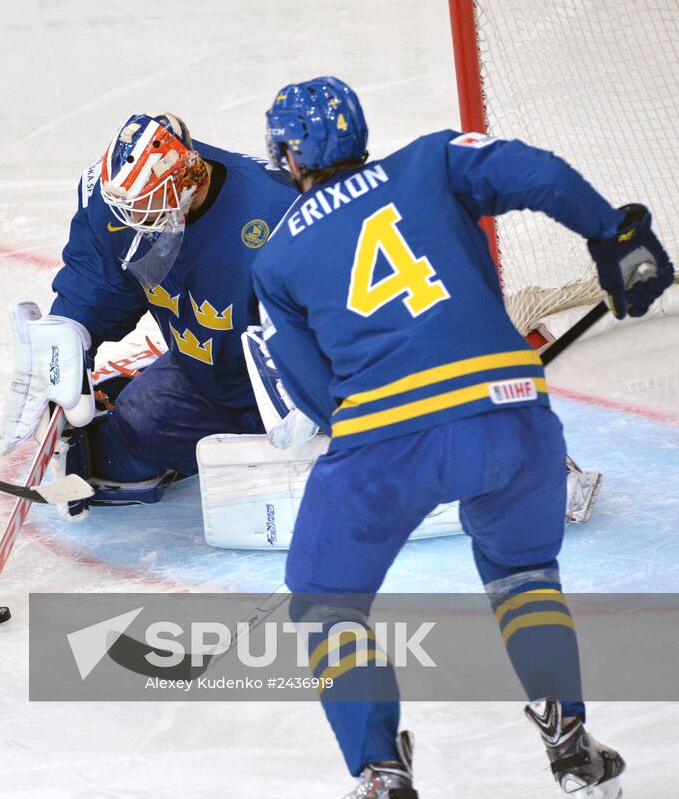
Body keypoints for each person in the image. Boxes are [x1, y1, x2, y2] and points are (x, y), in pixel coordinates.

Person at [253, 76, 671, 798]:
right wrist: (613, 232)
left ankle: (381, 770)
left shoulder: (276, 258)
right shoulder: (430, 161)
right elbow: (537, 173)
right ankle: (569, 742)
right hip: (513, 417)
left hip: (387, 445)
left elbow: (319, 399)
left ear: (293, 156)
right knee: (524, 576)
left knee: (326, 603)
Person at [0, 112, 298, 518]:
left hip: (293, 397)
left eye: (149, 210)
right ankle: (119, 396)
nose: (135, 224)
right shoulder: (120, 200)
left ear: (191, 180)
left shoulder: (280, 212)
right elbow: (98, 274)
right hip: (202, 377)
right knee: (108, 467)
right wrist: (68, 332)